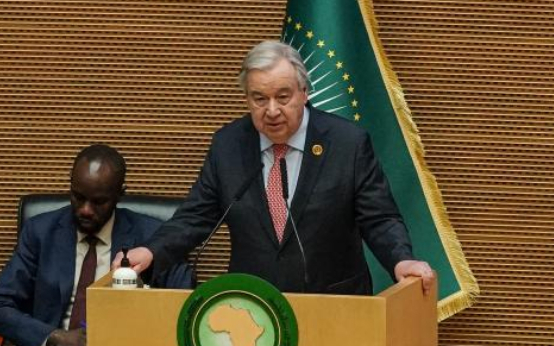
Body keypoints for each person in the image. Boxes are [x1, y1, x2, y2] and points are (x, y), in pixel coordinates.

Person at [119, 40, 435, 296]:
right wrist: (152, 251)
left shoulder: (347, 144)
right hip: (252, 308)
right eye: (259, 98)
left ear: (304, 92)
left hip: (334, 305)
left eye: (283, 97)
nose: (272, 111)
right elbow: (196, 216)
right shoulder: (229, 145)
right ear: (246, 98)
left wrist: (400, 259)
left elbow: (379, 218)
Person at [0, 144, 191, 346]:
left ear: (119, 195)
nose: (86, 209)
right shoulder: (41, 233)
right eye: (78, 197)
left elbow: (183, 312)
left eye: (99, 201)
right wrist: (56, 336)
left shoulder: (153, 239)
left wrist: (114, 342)